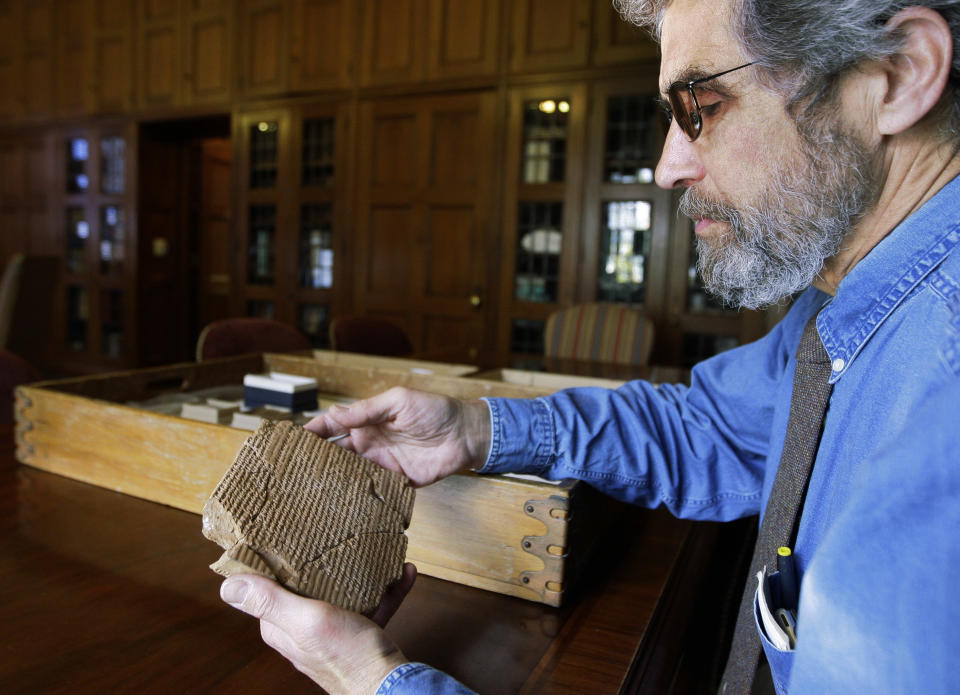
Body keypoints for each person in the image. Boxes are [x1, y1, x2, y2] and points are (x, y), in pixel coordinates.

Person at [218, 0, 960, 693]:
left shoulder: (940, 430)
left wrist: (377, 678)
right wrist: (478, 428)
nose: (669, 166)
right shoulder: (843, 309)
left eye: (703, 106)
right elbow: (713, 427)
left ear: (897, 74)